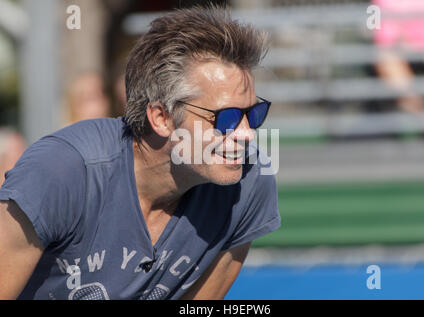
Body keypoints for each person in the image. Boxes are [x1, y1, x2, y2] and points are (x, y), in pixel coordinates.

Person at [0, 5, 280, 300]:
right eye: (227, 118)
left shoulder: (247, 184)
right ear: (161, 118)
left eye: (254, 113)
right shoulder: (62, 171)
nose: (247, 134)